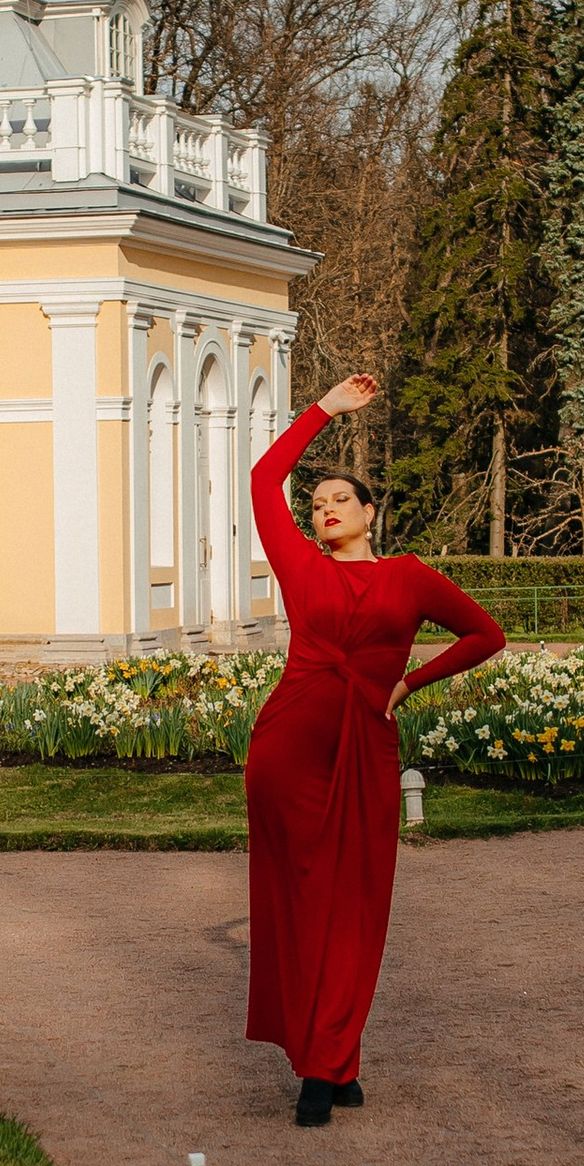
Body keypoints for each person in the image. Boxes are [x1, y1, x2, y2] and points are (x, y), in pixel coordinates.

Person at [245, 374, 507, 1124]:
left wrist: (410, 683)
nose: (324, 510)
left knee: (356, 908)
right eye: (317, 504)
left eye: (338, 501)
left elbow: (486, 635)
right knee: (300, 904)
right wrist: (323, 409)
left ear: (369, 513)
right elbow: (265, 477)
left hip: (367, 750)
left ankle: (335, 1058)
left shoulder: (409, 577)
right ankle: (323, 1068)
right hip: (290, 750)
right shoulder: (302, 568)